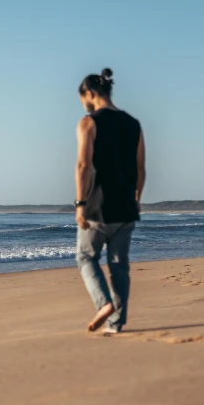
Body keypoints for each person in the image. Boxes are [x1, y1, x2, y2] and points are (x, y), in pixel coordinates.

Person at [74, 68, 145, 333]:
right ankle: (116, 324)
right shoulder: (134, 123)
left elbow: (83, 165)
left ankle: (103, 304)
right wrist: (137, 198)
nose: (84, 104)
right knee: (119, 268)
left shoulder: (89, 122)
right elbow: (141, 168)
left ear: (90, 94)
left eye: (83, 99)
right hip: (126, 207)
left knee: (85, 256)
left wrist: (80, 204)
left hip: (97, 207)